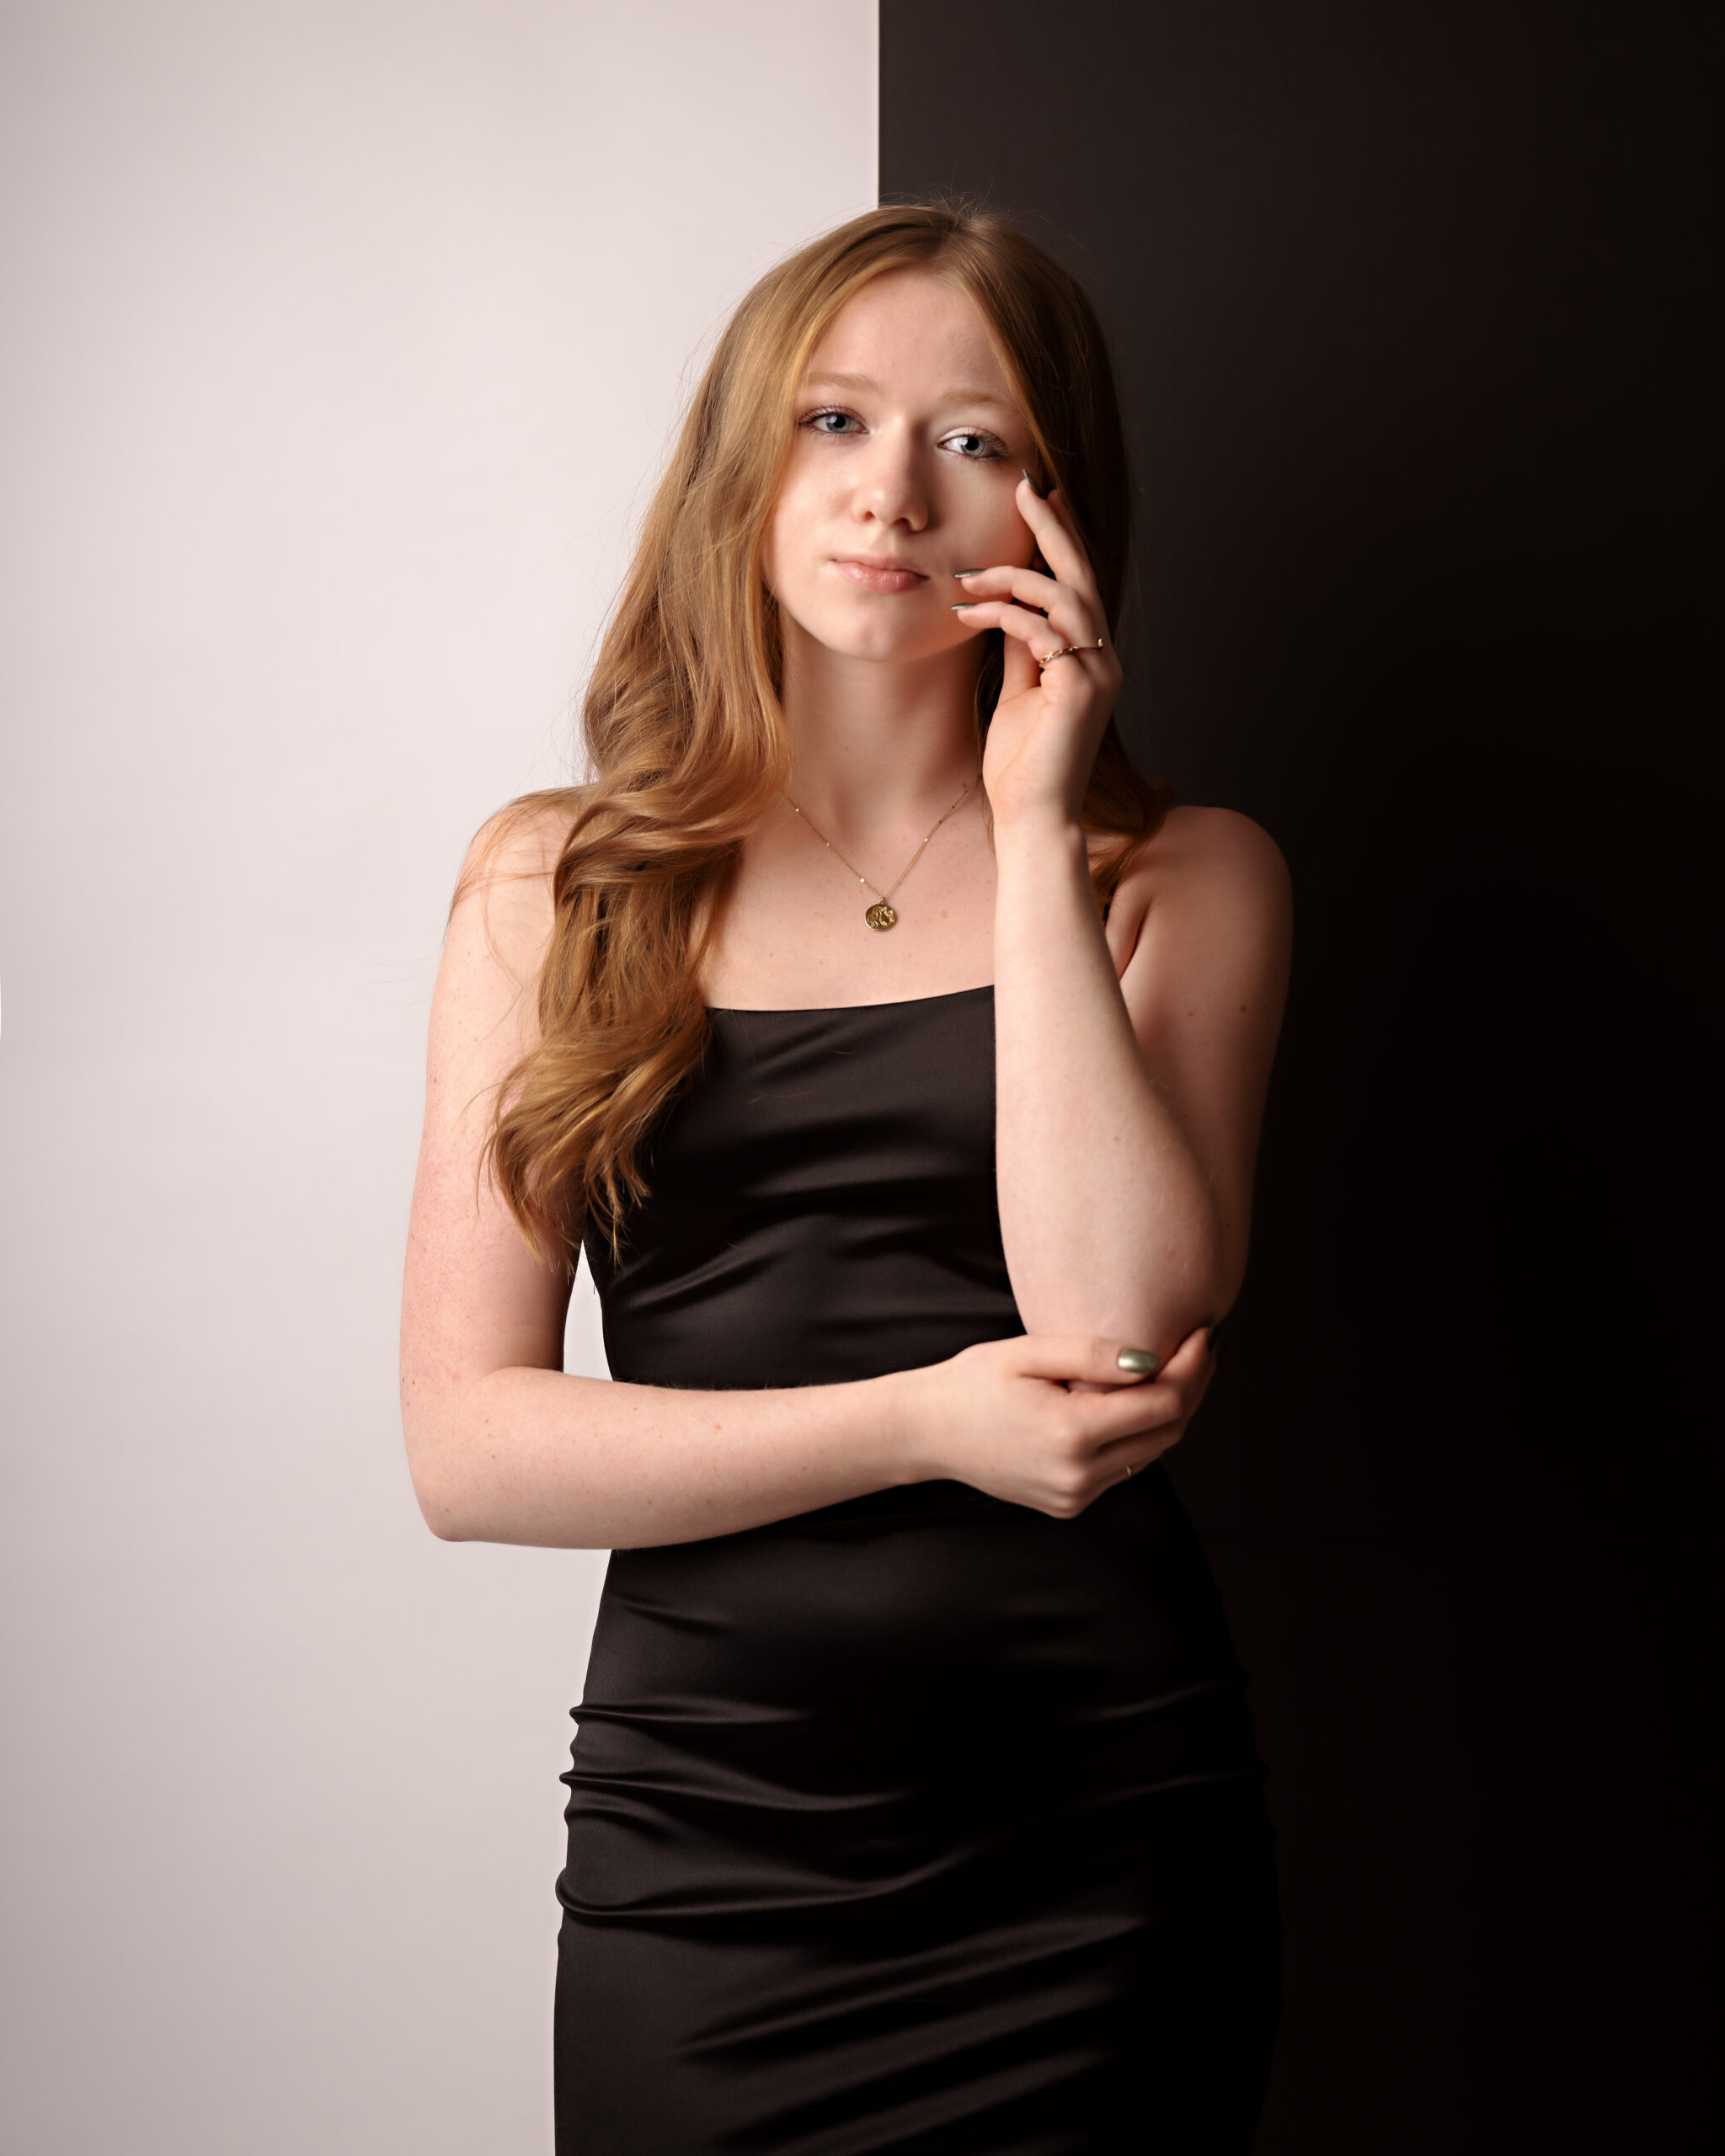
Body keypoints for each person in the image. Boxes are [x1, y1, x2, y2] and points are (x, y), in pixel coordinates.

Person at [400, 203, 1292, 2154]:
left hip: (1101, 1848)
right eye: (831, 419)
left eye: (972, 440)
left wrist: (1037, 823)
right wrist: (919, 1420)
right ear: (745, 459)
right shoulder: (556, 882)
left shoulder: (1184, 874)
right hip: (708, 1849)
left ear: (1056, 508)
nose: (891, 490)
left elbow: (1113, 1323)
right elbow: (467, 1448)